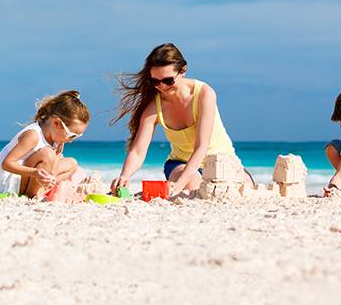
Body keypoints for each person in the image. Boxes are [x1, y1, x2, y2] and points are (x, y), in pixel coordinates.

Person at [108, 43, 252, 197]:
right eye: (155, 82)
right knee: (193, 187)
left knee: (246, 190)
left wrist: (178, 186)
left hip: (222, 161)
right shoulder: (154, 107)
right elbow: (137, 151)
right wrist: (125, 175)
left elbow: (201, 146)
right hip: (180, 164)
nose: (162, 87)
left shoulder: (204, 94)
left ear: (183, 70)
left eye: (168, 80)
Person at [0, 91, 91, 202]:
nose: (71, 140)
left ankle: (46, 188)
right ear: (56, 123)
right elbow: (6, 164)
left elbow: (53, 165)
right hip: (7, 182)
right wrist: (34, 172)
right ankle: (36, 194)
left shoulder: (58, 139)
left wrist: (50, 178)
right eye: (71, 135)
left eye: (78, 136)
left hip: (28, 179)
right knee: (48, 154)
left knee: (72, 164)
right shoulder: (33, 135)